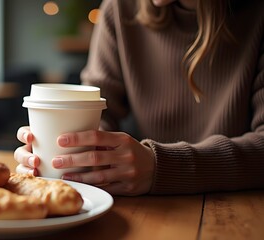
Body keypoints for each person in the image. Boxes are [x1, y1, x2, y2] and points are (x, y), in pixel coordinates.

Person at [14, 0, 264, 195]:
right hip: (145, 211)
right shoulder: (119, 10)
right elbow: (99, 112)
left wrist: (162, 166)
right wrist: (62, 151)